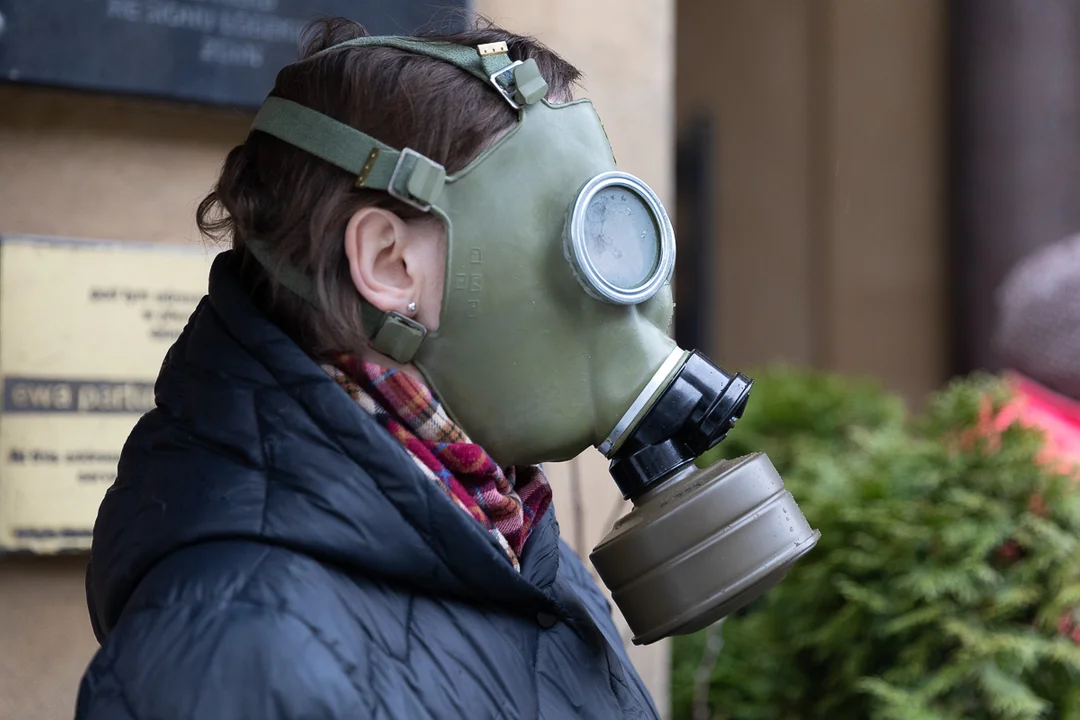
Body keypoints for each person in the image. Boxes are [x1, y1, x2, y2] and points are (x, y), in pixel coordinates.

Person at [75, 17, 661, 719]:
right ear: (387, 262)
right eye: (555, 228)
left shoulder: (515, 546)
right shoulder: (236, 652)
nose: (612, 285)